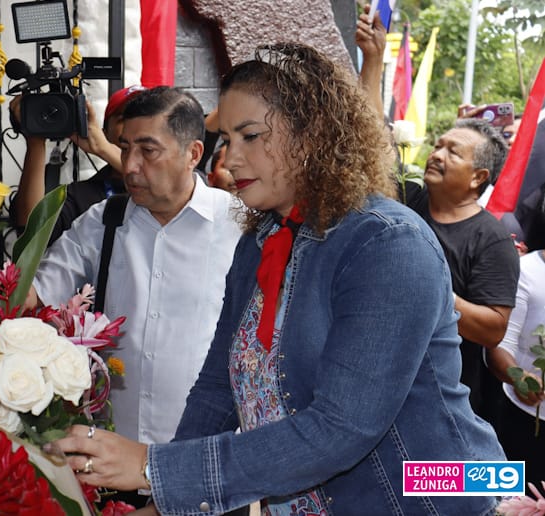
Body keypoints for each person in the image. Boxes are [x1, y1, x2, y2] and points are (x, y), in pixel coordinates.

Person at [52, 42, 506, 516]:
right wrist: (166, 504)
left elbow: (341, 429)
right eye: (227, 139)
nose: (229, 160)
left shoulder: (387, 243)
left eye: (250, 136)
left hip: (429, 497)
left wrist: (154, 467)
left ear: (311, 136)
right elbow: (216, 390)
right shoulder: (262, 240)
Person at [26, 86, 241, 448]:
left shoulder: (237, 224)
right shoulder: (103, 221)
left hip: (207, 453)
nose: (130, 166)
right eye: (125, 148)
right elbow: (38, 292)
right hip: (114, 448)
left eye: (148, 150)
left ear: (193, 154)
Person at [404, 118, 520, 428]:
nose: (436, 155)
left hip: (440, 405)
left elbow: (493, 329)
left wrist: (439, 294)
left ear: (477, 177)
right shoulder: (406, 198)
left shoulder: (492, 240)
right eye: (437, 146)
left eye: (453, 152)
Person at [10, 85, 146, 244]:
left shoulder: (165, 188)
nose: (137, 126)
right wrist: (35, 140)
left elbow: (164, 187)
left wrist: (104, 148)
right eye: (125, 118)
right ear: (104, 133)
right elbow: (32, 235)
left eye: (144, 118)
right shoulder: (80, 195)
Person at [487, 248, 545, 487]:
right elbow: (499, 345)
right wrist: (519, 378)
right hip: (526, 421)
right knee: (515, 496)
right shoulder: (526, 272)